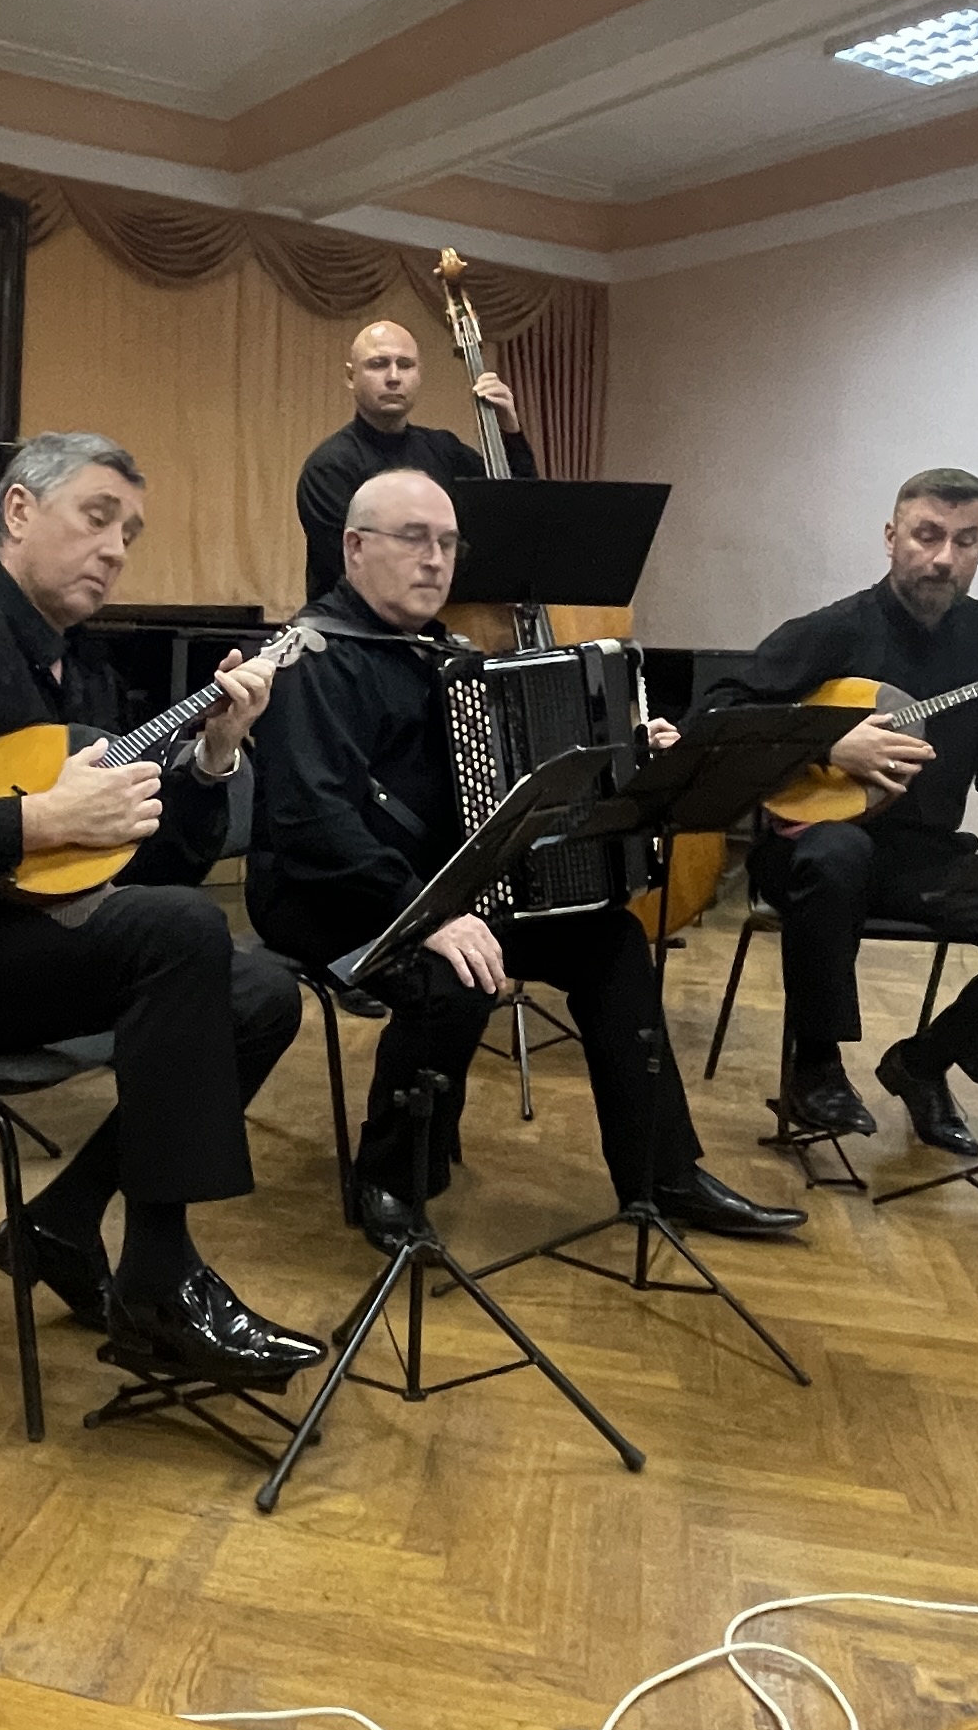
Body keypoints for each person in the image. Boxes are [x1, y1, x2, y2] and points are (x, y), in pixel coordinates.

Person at [0, 430, 320, 1389]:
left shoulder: (74, 669)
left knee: (260, 994)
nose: (116, 549)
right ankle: (161, 1285)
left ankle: (63, 1220)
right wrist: (31, 821)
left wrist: (214, 758)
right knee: (179, 935)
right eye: (97, 517)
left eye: (130, 534)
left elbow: (149, 858)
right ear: (19, 511)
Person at [250, 471, 804, 1246]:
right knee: (453, 979)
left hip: (450, 887)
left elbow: (518, 776)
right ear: (355, 547)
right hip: (330, 894)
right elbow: (312, 824)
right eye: (414, 539)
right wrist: (428, 914)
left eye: (449, 543)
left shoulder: (443, 653)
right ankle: (389, 1179)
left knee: (611, 942)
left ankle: (663, 1173)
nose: (435, 559)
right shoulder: (309, 657)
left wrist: (630, 755)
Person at [706, 468, 978, 1154]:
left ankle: (924, 1063)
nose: (944, 558)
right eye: (928, 536)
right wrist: (829, 742)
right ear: (892, 536)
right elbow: (719, 710)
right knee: (836, 855)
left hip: (926, 856)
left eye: (966, 541)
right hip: (811, 848)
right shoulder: (833, 631)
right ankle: (816, 1067)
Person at [293, 317, 516, 607]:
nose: (394, 377)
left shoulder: (445, 450)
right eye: (378, 364)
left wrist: (509, 431)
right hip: (353, 630)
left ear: (419, 374)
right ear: (351, 376)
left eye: (405, 365)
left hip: (448, 620)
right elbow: (355, 571)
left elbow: (515, 512)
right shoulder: (329, 468)